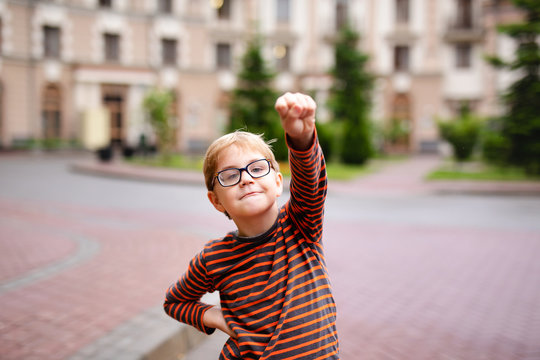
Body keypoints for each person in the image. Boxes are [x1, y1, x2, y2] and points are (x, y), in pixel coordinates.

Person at [164, 92, 339, 359]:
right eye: (231, 175)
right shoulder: (214, 258)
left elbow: (311, 184)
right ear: (216, 201)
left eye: (257, 169)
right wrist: (215, 317)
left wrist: (302, 140)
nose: (246, 179)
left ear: (278, 182)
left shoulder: (300, 227)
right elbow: (175, 302)